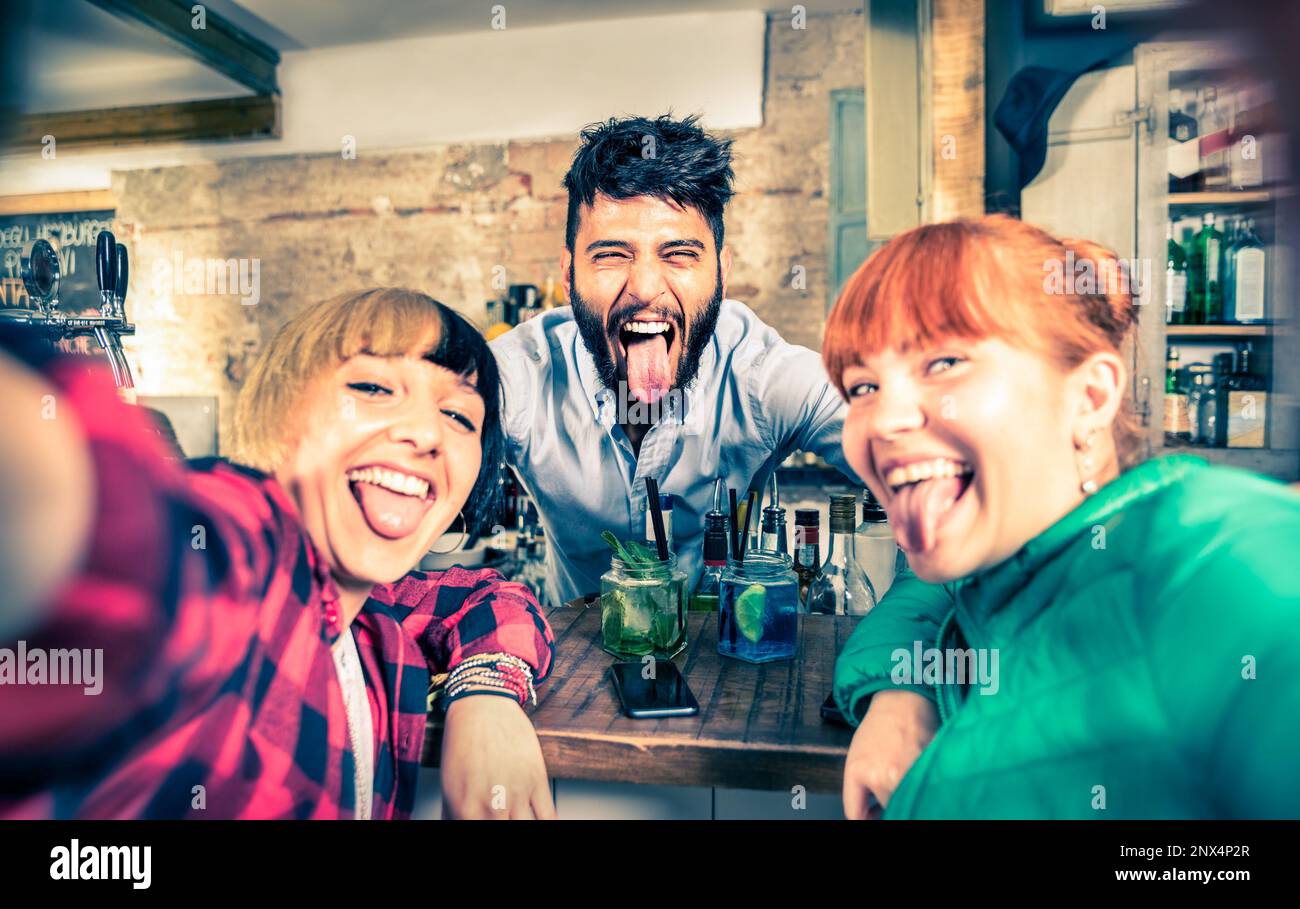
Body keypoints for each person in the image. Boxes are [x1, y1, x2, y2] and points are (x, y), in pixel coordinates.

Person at [0, 288, 556, 819]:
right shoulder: (247, 554)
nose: (426, 433)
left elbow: (491, 597)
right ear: (281, 412)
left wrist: (487, 694)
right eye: (374, 388)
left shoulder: (375, 624)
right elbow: (114, 528)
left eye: (459, 416)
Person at [824, 215, 1300, 819]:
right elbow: (922, 594)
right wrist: (898, 692)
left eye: (944, 363)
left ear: (1090, 397)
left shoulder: (1204, 555)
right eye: (862, 386)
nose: (884, 420)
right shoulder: (1007, 570)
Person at [491, 114, 859, 605]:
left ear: (721, 277)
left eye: (679, 254)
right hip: (577, 662)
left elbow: (935, 461)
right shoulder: (523, 374)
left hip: (732, 656)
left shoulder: (763, 378)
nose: (645, 288)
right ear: (569, 274)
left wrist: (905, 619)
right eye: (611, 255)